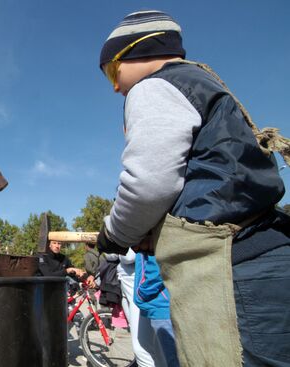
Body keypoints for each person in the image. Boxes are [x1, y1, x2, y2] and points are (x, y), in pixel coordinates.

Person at [95, 10, 290, 366]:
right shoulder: (205, 85)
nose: (115, 86)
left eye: (112, 70)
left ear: (136, 52)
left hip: (230, 270)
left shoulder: (153, 87)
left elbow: (149, 184)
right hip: (263, 252)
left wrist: (114, 233)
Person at [134, 253, 179, 367]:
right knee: (151, 351)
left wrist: (142, 292)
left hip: (161, 302)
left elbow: (161, 260)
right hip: (154, 301)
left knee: (172, 360)